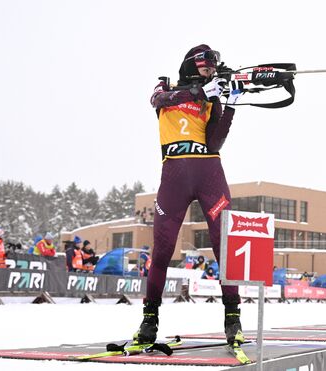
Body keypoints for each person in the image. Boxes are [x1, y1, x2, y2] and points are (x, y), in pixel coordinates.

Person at [133, 44, 244, 348]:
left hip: (209, 174)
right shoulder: (166, 86)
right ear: (192, 65)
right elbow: (158, 100)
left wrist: (228, 104)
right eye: (206, 65)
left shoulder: (211, 96)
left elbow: (215, 142)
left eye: (213, 67)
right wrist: (200, 91)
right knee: (163, 248)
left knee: (224, 245)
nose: (211, 70)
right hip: (174, 176)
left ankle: (232, 318)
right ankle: (149, 317)